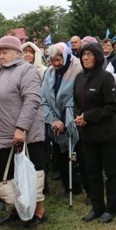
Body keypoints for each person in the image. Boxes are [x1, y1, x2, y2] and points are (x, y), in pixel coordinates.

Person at [0, 35, 47, 228]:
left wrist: (21, 128)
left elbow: (32, 100)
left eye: (5, 52)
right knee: (6, 177)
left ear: (18, 53)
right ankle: (16, 210)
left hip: (24, 134)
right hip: (0, 134)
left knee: (31, 174)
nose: (1, 56)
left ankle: (39, 212)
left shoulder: (27, 70)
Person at [74, 42, 116, 224]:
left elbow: (112, 106)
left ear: (98, 57)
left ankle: (111, 209)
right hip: (87, 135)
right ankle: (97, 207)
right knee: (91, 172)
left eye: (89, 54)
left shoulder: (106, 77)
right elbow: (76, 101)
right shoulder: (79, 78)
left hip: (106, 134)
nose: (85, 58)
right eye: (83, 55)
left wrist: (88, 116)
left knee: (111, 173)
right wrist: (79, 116)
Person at [41, 43, 84, 196]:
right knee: (60, 154)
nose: (56, 64)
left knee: (81, 153)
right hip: (56, 121)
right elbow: (44, 98)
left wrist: (66, 121)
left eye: (59, 59)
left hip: (74, 118)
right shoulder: (49, 73)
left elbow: (75, 97)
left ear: (65, 56)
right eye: (52, 60)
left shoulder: (77, 69)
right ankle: (70, 187)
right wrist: (53, 120)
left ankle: (85, 186)